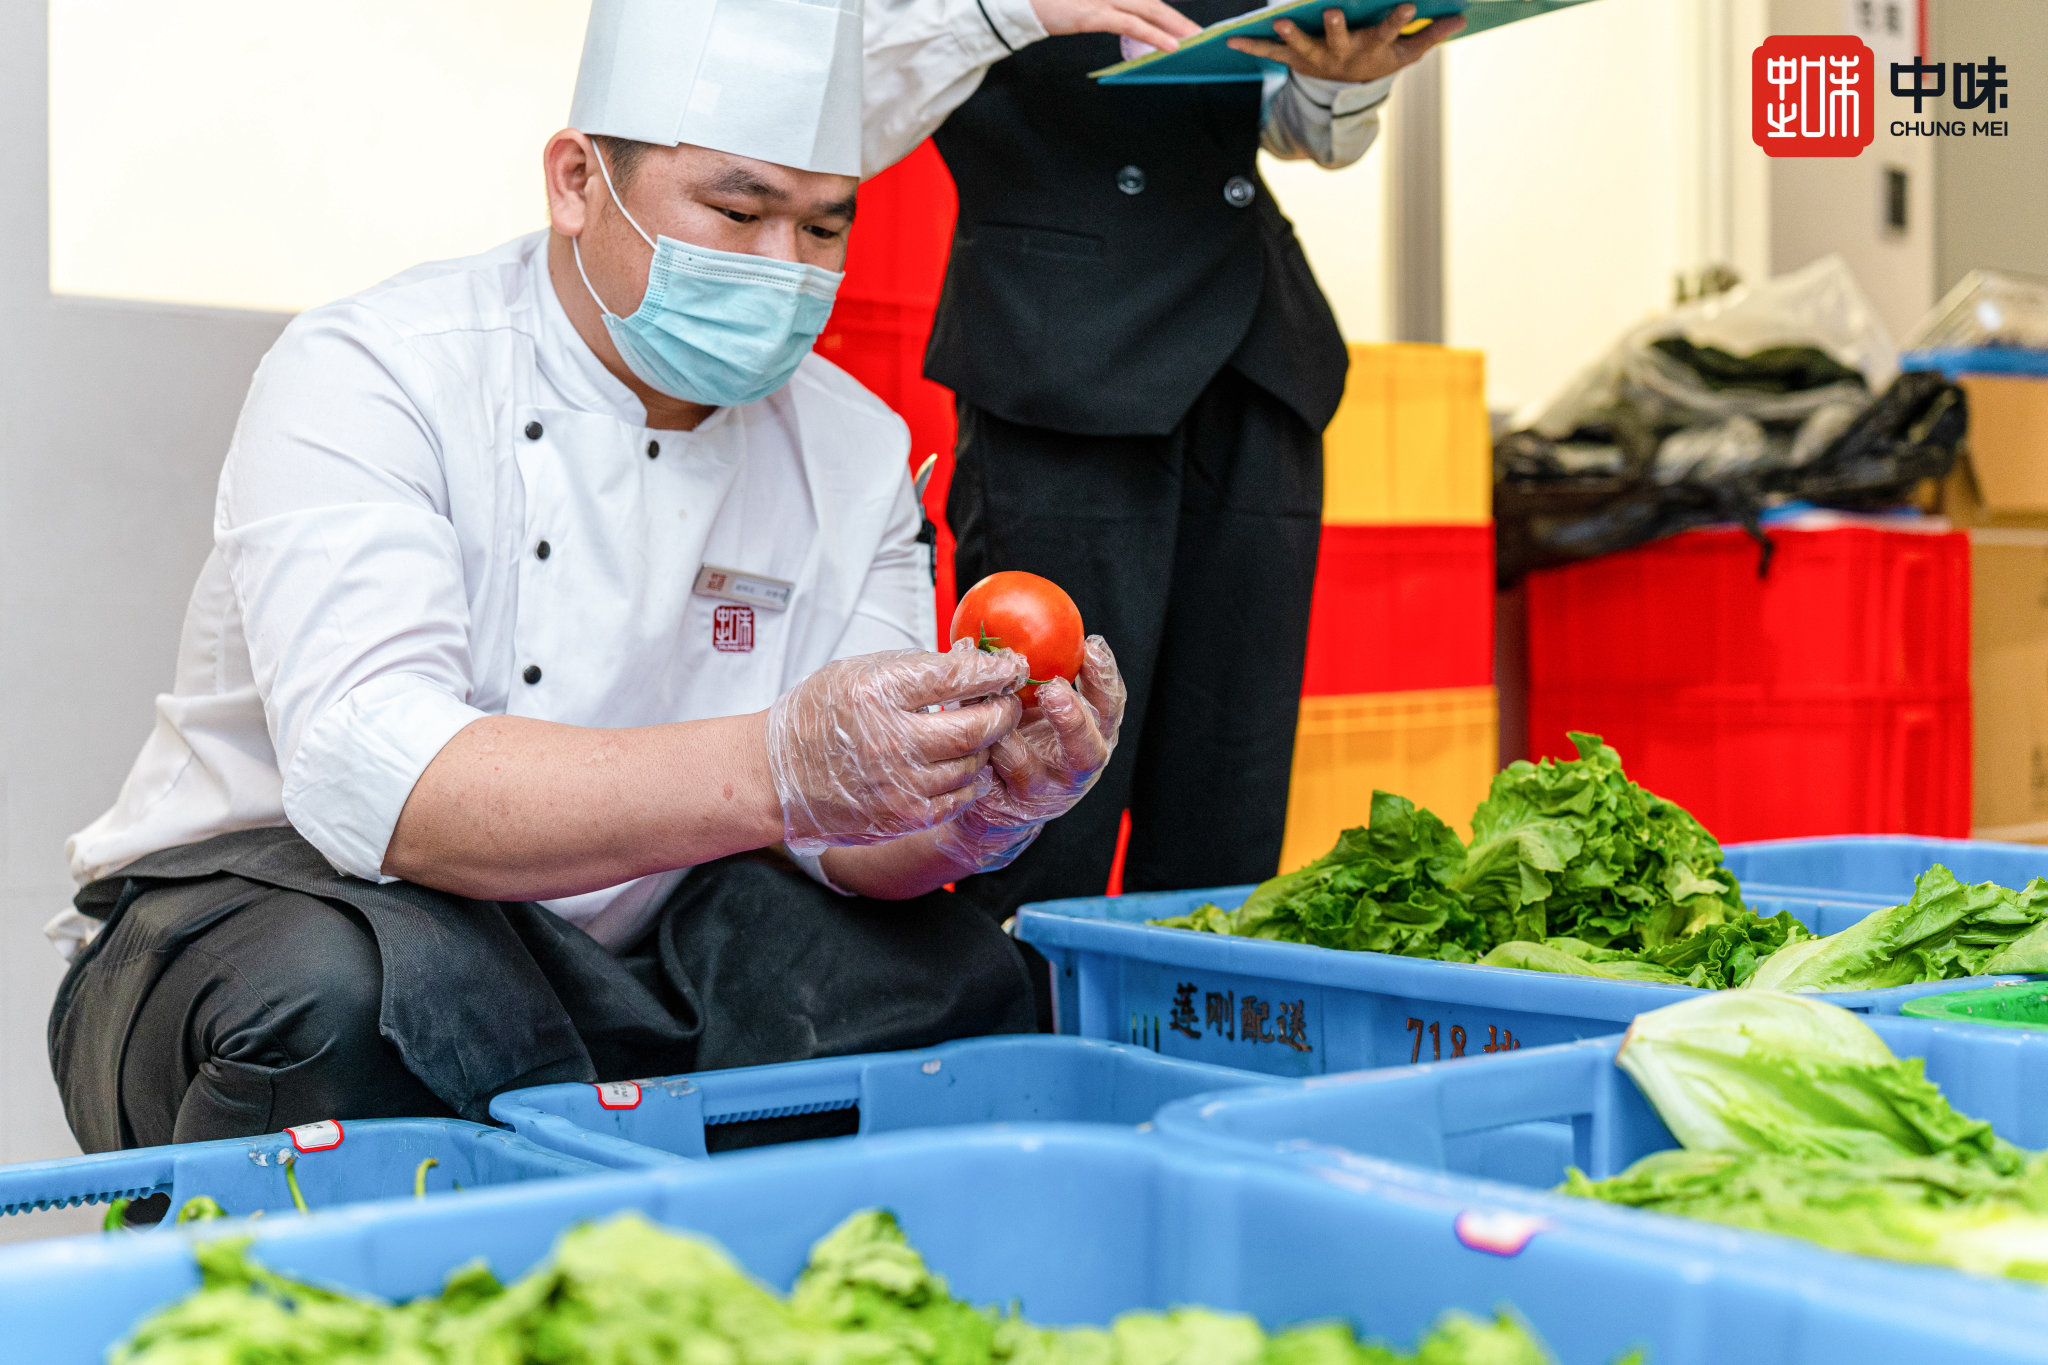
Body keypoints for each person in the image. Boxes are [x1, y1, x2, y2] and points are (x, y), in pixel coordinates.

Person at [47, 0, 1127, 1153]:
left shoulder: (853, 447)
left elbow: (840, 843)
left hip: (627, 939)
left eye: (823, 227)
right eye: (737, 211)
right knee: (336, 994)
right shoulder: (377, 370)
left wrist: (972, 814)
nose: (783, 270)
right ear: (574, 182)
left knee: (949, 980)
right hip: (273, 910)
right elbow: (383, 782)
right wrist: (780, 761)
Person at [862, 0, 1461, 942]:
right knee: (1040, 793)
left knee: (1231, 800)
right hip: (1060, 358)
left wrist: (1339, 80)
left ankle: (1197, 1023)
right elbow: (853, 99)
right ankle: (1017, 1027)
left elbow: (1298, 130)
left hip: (1253, 355)